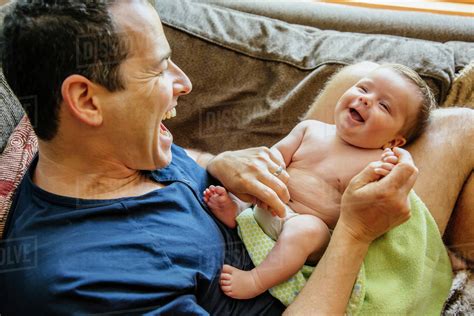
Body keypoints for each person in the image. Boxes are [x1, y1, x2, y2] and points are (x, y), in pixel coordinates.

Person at [0, 1, 469, 315]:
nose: (184, 83)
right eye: (161, 67)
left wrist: (222, 160)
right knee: (463, 129)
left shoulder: (116, 151)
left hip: (277, 227)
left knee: (383, 86)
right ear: (85, 101)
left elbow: (191, 165)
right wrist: (355, 232)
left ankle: (452, 257)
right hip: (317, 288)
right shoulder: (88, 284)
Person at [203, 63, 435, 299]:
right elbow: (268, 161)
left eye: (383, 105)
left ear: (395, 142)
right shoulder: (309, 130)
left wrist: (387, 170)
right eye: (364, 89)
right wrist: (257, 187)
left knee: (307, 230)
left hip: (309, 231)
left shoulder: (375, 163)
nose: (366, 100)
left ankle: (256, 279)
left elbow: (371, 208)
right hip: (266, 206)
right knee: (249, 183)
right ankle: (239, 213)